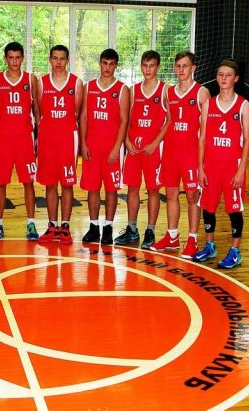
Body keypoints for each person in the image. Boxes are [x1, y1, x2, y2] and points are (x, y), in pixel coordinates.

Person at [193, 58, 249, 269]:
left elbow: (248, 140)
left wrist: (241, 170)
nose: (224, 78)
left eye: (228, 75)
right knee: (208, 207)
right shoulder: (208, 104)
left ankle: (235, 251)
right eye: (220, 75)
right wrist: (200, 168)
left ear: (236, 78)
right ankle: (210, 246)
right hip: (210, 166)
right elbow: (202, 138)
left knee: (234, 209)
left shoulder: (244, 105)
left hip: (232, 167)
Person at [151, 51, 210, 258]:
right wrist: (156, 143)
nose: (181, 70)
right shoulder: (168, 92)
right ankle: (172, 236)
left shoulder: (201, 92)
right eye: (178, 66)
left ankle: (193, 239)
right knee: (171, 195)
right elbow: (169, 120)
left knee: (193, 197)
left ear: (193, 68)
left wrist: (203, 160)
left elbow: (206, 129)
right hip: (171, 152)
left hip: (191, 154)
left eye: (185, 66)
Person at [0, 41, 40, 241]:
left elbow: (37, 109)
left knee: (28, 182)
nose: (14, 61)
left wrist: (39, 135)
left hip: (25, 138)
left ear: (22, 58)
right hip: (4, 138)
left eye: (18, 57)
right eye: (11, 57)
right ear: (5, 59)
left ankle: (31, 224)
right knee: (1, 183)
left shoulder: (31, 79)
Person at [115, 50, 168, 249]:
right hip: (134, 149)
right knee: (132, 188)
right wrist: (127, 141)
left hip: (153, 149)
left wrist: (155, 143)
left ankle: (150, 230)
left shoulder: (165, 90)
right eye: (145, 65)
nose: (148, 69)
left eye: (151, 66)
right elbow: (125, 119)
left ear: (158, 67)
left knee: (153, 189)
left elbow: (170, 120)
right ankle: (132, 229)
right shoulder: (133, 90)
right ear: (141, 66)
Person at [79, 48, 129, 245]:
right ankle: (94, 227)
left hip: (111, 147)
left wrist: (117, 147)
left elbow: (124, 120)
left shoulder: (122, 89)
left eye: (111, 64)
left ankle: (108, 227)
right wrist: (83, 143)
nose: (107, 67)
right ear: (99, 63)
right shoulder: (89, 86)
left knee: (111, 189)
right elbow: (83, 117)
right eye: (104, 63)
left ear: (116, 66)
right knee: (92, 188)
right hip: (92, 145)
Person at [35, 45, 84, 245]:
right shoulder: (42, 82)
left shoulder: (76, 83)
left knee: (67, 183)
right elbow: (38, 109)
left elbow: (77, 112)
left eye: (62, 59)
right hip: (47, 137)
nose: (58, 62)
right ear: (50, 59)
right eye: (55, 58)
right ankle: (52, 226)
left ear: (67, 61)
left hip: (67, 138)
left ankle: (65, 226)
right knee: (50, 183)